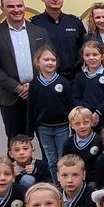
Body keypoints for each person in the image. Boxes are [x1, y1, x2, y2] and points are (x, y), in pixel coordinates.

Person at [0, 0, 49, 140]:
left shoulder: (39, 32)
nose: (16, 10)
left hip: (39, 94)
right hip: (10, 96)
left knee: (46, 139)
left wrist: (34, 86)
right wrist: (17, 88)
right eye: (11, 6)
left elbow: (50, 61)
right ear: (2, 9)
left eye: (19, 5)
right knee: (16, 141)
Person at [26, 46, 73, 181]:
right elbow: (31, 108)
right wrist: (29, 131)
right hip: (43, 128)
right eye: (46, 60)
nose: (50, 62)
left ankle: (64, 184)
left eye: (53, 60)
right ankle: (56, 184)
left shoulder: (63, 82)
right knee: (51, 160)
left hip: (62, 127)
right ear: (37, 62)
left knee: (62, 159)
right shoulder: (34, 84)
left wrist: (73, 126)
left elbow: (70, 106)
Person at [30, 0, 85, 79]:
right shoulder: (34, 24)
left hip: (74, 78)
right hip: (47, 78)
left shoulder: (75, 22)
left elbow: (84, 48)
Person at [72, 41, 104, 128]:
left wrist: (98, 112)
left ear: (102, 56)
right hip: (86, 118)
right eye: (87, 55)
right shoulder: (80, 76)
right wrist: (86, 112)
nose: (91, 58)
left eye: (95, 55)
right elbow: (75, 98)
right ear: (83, 57)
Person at [61, 107, 104, 186]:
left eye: (86, 122)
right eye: (77, 124)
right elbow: (65, 164)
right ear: (71, 125)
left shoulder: (100, 141)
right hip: (75, 180)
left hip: (95, 181)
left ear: (92, 122)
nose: (82, 126)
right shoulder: (68, 143)